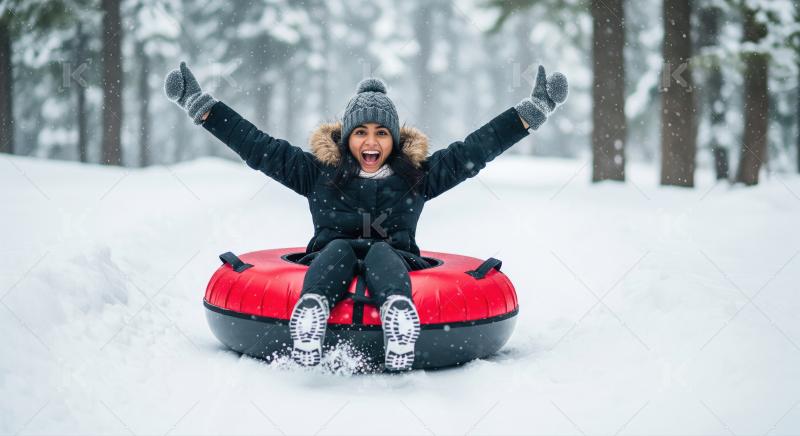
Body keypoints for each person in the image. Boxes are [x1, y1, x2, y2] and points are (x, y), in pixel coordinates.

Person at [164, 62, 568, 371]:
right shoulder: (317, 173)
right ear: (346, 138)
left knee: (380, 253)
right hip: (328, 259)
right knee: (340, 246)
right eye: (360, 132)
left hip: (397, 261)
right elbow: (257, 146)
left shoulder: (417, 176)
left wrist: (528, 113)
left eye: (381, 132)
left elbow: (473, 150)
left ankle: (398, 316)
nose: (370, 141)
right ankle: (311, 314)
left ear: (393, 139)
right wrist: (202, 107)